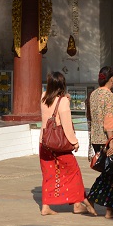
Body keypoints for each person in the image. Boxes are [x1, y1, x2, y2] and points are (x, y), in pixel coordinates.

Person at [39, 71, 96, 216]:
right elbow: (66, 126)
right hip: (58, 145)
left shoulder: (43, 97)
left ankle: (46, 206)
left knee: (48, 174)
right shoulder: (63, 101)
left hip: (44, 142)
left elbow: (54, 103)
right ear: (62, 85)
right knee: (73, 172)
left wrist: (65, 98)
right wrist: (74, 142)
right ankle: (77, 204)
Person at [87, 66, 113, 219]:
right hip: (108, 139)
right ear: (111, 79)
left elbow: (91, 117)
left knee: (108, 174)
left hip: (96, 139)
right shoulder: (108, 96)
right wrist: (111, 143)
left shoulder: (94, 94)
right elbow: (109, 120)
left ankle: (97, 202)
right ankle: (107, 208)